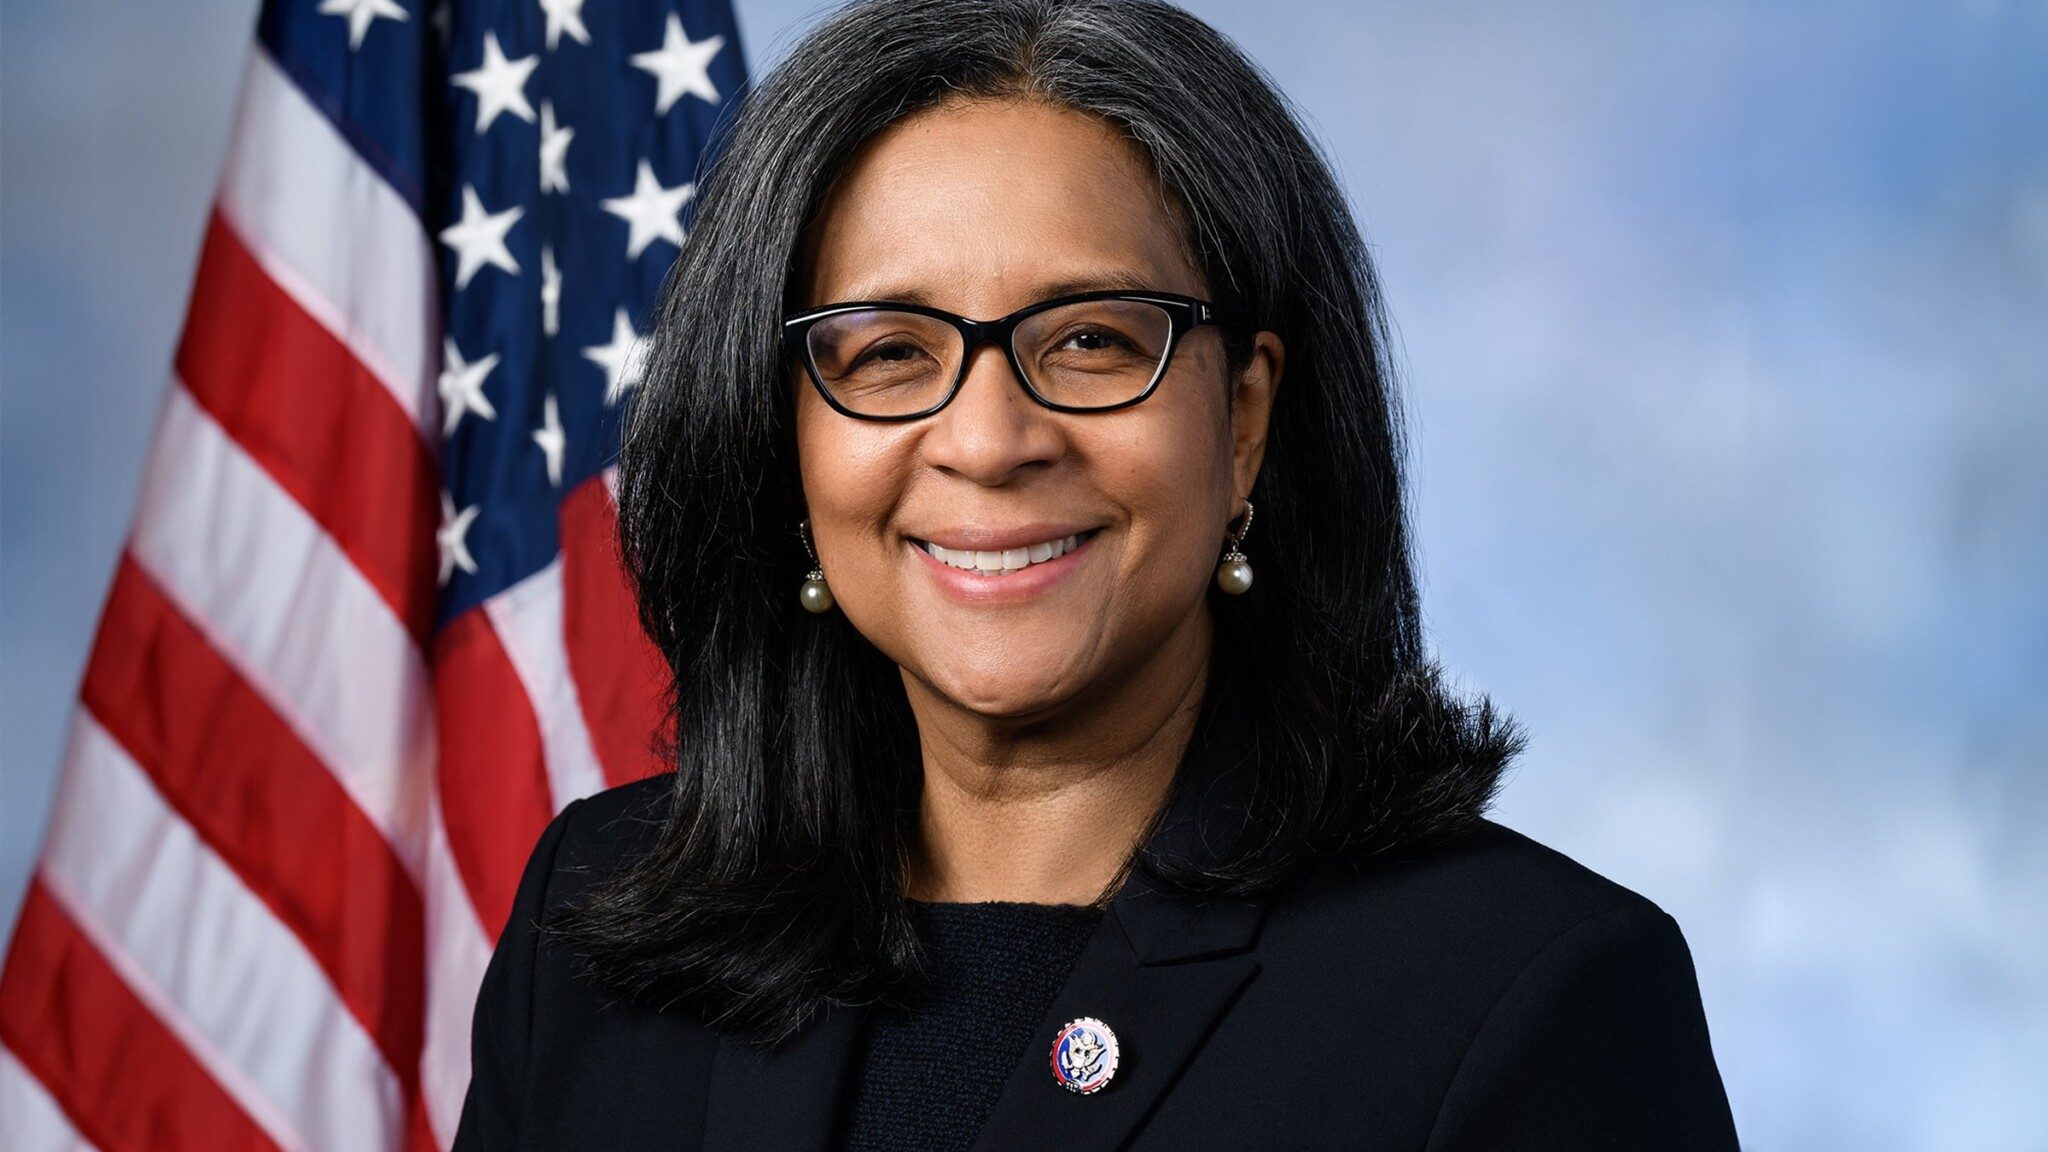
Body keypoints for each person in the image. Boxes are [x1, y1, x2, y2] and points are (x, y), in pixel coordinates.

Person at [451, 0, 1741, 1148]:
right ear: (783, 435)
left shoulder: (1522, 987)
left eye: (1089, 339)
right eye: (889, 352)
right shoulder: (601, 926)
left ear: (1243, 421)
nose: (990, 441)